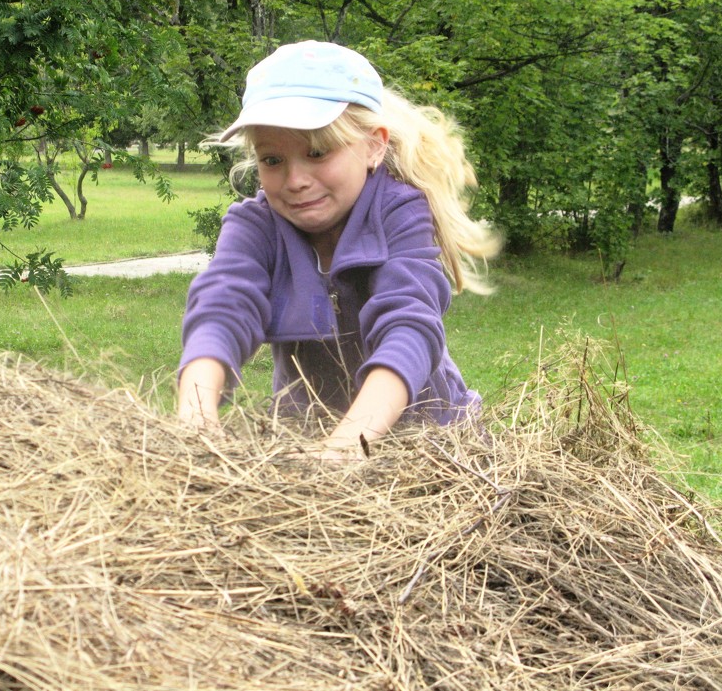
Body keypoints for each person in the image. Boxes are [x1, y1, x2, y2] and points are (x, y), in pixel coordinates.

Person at [177, 41, 500, 460]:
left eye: (317, 153)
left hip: (433, 450)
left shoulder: (399, 212)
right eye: (273, 160)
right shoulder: (254, 226)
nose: (295, 180)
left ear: (373, 146)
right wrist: (194, 425)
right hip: (308, 441)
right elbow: (222, 310)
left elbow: (409, 327)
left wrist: (347, 449)